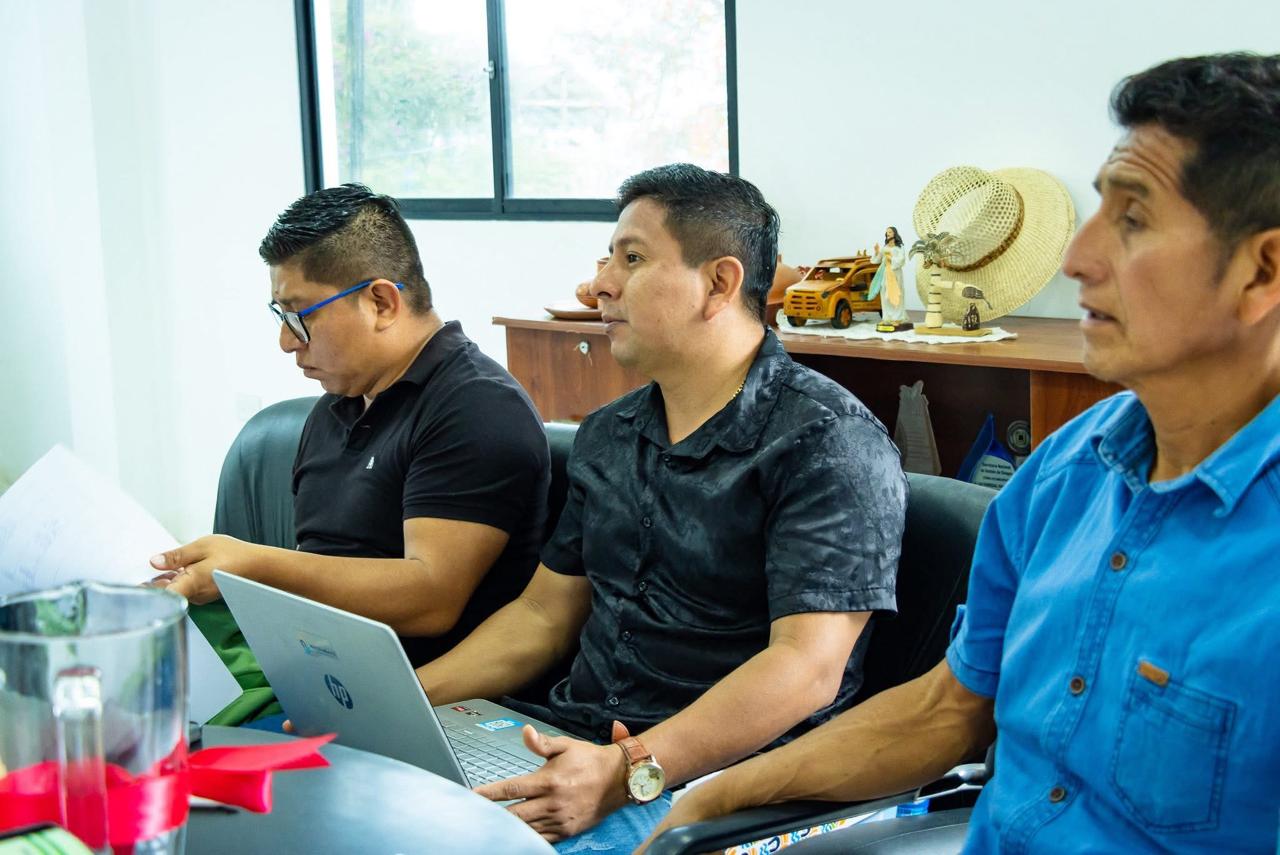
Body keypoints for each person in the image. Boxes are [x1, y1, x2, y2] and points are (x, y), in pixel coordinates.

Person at [640, 52, 1280, 853]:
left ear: (1263, 270)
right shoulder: (1066, 470)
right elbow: (946, 709)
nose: (1078, 259)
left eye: (1134, 220)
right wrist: (712, 795)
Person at [417, 163, 907, 851]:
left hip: (720, 788)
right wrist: (402, 698)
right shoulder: (608, 433)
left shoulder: (828, 441)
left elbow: (806, 670)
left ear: (720, 283)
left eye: (633, 258)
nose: (599, 284)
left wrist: (628, 768)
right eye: (608, 257)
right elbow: (541, 617)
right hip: (574, 747)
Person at [149, 184, 550, 674]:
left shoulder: (478, 407)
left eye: (300, 316)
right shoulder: (337, 406)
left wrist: (253, 566)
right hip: (314, 673)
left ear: (381, 302)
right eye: (280, 316)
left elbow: (432, 598)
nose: (286, 342)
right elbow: (320, 565)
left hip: (426, 697)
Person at [869, 225, 912, 331]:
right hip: (885, 273)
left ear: (894, 234)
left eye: (890, 232)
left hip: (895, 274)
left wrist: (891, 259)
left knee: (896, 293)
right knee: (885, 293)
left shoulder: (899, 247)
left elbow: (901, 260)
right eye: (887, 232)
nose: (887, 234)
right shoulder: (885, 247)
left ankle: (898, 317)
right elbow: (877, 260)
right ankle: (887, 317)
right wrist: (876, 252)